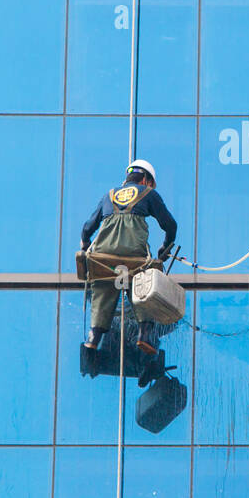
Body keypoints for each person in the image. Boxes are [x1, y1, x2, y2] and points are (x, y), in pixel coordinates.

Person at [80, 159, 177, 385]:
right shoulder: (148, 194)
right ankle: (144, 334)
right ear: (146, 180)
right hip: (133, 254)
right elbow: (170, 225)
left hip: (104, 255)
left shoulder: (109, 195)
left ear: (128, 178)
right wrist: (166, 246)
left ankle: (93, 339)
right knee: (142, 285)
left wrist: (85, 244)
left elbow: (88, 226)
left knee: (103, 286)